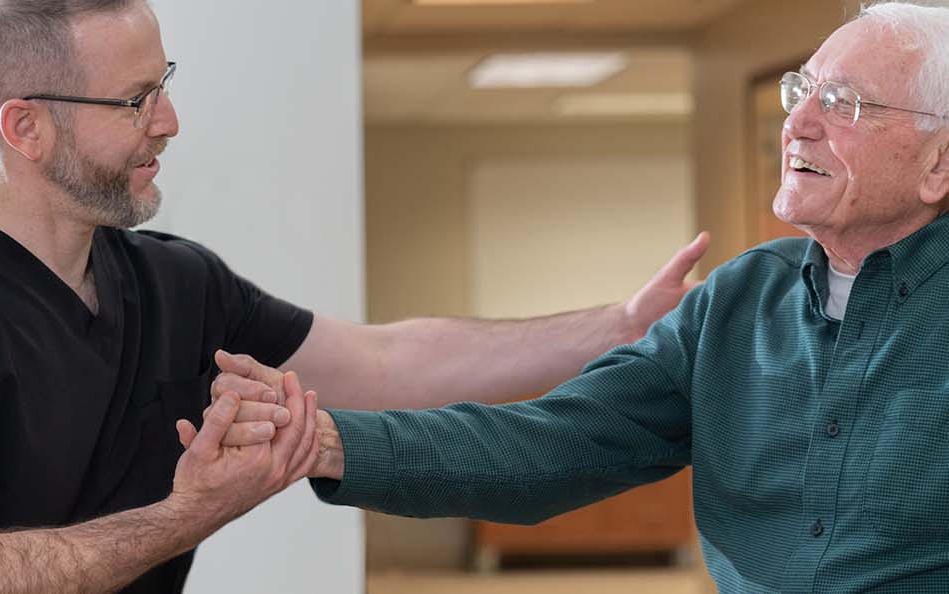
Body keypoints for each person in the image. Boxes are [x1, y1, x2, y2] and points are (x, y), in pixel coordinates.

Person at [0, 1, 707, 593]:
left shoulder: (173, 280)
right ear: (24, 126)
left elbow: (385, 362)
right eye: (136, 99)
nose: (170, 122)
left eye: (166, 86)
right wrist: (192, 512)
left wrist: (619, 326)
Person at [211, 2, 949, 591]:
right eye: (803, 91)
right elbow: (549, 444)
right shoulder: (734, 303)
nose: (800, 122)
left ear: (936, 166)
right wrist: (332, 441)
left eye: (846, 103)